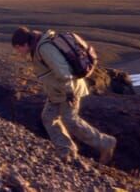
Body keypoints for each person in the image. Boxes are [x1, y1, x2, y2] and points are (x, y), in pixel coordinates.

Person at [11, 26, 116, 164]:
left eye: (18, 48)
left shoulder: (44, 49)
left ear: (25, 44)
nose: (18, 52)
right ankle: (66, 151)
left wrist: (69, 92)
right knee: (48, 117)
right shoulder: (37, 48)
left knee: (70, 120)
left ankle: (105, 143)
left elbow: (62, 71)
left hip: (68, 90)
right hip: (57, 93)